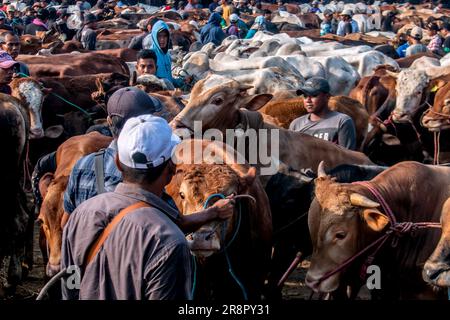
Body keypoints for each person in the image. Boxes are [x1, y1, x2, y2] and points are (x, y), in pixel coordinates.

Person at [62, 115, 201, 299]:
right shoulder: (168, 240)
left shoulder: (81, 214)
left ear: (118, 163)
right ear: (171, 169)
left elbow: (71, 286)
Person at [289, 77, 356, 150]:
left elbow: (348, 157)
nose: (308, 100)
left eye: (314, 95)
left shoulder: (342, 121)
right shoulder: (296, 125)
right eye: (305, 96)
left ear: (327, 97)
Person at [149, 20, 192, 88]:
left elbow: (169, 79)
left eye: (165, 36)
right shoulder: (150, 55)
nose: (162, 39)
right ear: (154, 36)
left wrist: (182, 81)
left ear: (168, 37)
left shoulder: (167, 55)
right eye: (159, 36)